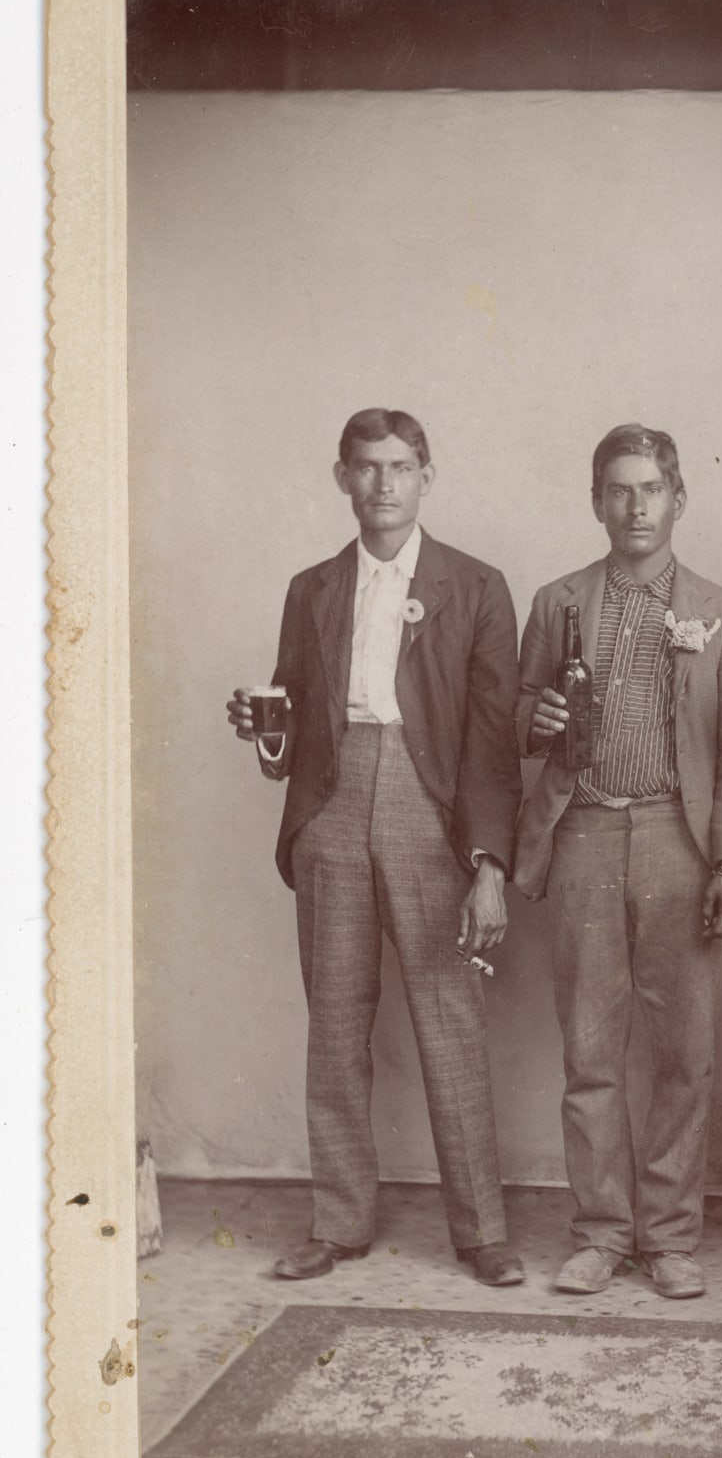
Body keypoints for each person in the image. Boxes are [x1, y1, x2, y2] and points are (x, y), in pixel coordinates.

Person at [225, 407, 525, 1285]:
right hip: (329, 805)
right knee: (335, 1025)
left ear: (426, 475)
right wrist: (262, 732)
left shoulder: (476, 586)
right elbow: (287, 736)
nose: (383, 483)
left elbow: (491, 746)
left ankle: (481, 1234)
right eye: (366, 467)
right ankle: (338, 1221)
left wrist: (488, 866)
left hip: (429, 807)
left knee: (449, 1019)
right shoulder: (311, 587)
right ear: (342, 478)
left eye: (399, 466)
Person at [514, 423, 722, 1299]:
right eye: (617, 490)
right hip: (582, 832)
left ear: (677, 498)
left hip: (678, 842)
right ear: (595, 501)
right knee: (590, 1050)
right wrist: (535, 720)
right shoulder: (557, 601)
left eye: (649, 489)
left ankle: (668, 1237)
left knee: (683, 1053)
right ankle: (598, 1232)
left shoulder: (721, 612)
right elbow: (516, 712)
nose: (633, 506)